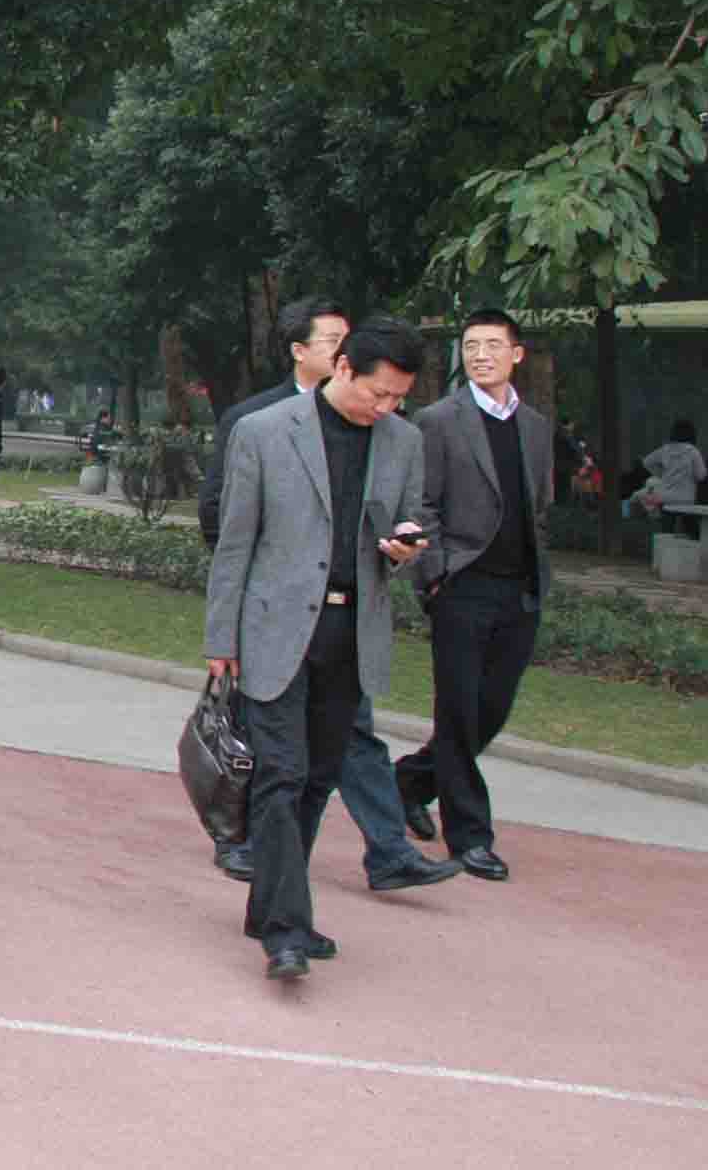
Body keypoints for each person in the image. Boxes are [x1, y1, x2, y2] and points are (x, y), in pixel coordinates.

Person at [195, 298, 458, 895]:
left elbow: (406, 521)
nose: (385, 407)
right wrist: (221, 636)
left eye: (398, 398)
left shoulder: (402, 441)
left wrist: (403, 547)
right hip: (276, 630)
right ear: (343, 367)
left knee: (319, 777)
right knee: (282, 776)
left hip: (351, 633)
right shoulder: (262, 429)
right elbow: (234, 543)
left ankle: (272, 908)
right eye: (378, 393)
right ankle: (287, 922)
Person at [393, 309, 553, 884]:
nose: (480, 355)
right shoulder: (439, 420)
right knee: (459, 711)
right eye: (470, 346)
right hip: (462, 586)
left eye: (492, 345)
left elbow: (540, 504)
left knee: (491, 710)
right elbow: (422, 503)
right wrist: (435, 575)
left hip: (520, 591)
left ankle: (410, 780)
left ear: (517, 353)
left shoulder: (534, 426)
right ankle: (470, 836)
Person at [644, 420, 708, 536]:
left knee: (666, 531)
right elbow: (701, 475)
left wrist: (661, 474)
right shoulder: (692, 451)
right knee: (692, 531)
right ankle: (693, 544)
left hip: (666, 498)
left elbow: (647, 462)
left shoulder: (665, 450)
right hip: (686, 499)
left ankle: (665, 546)